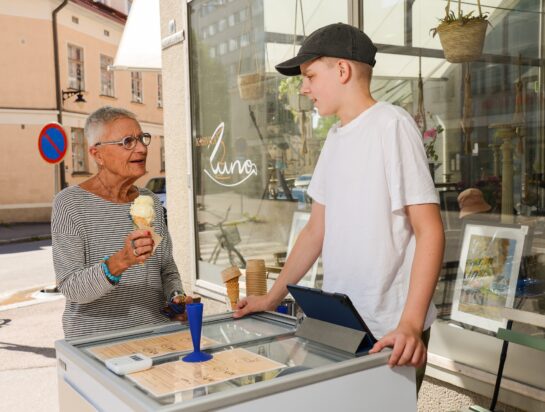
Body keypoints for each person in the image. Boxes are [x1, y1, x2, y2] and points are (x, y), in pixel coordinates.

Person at [233, 23, 445, 393]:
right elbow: (316, 231)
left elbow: (430, 229)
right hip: (339, 324)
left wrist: (411, 324)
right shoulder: (334, 138)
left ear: (343, 71)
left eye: (310, 75)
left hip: (389, 330)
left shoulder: (392, 125)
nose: (304, 87)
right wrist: (272, 297)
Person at [52, 106, 191, 339]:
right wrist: (120, 262)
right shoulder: (69, 203)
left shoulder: (151, 201)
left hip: (157, 335)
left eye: (141, 138)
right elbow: (71, 287)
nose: (141, 148)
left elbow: (166, 268)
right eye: (127, 141)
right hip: (95, 343)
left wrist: (175, 297)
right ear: (97, 154)